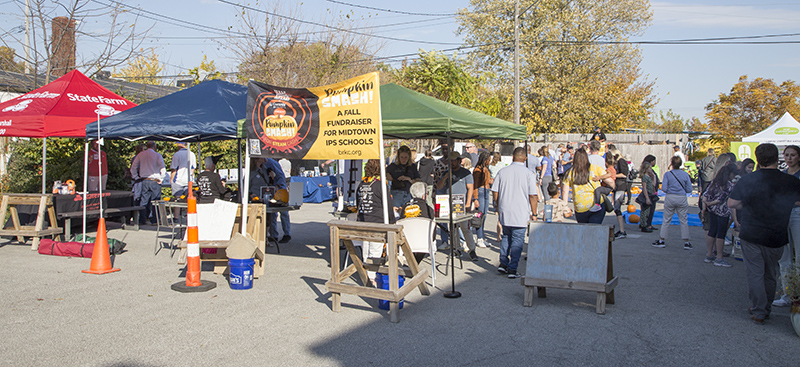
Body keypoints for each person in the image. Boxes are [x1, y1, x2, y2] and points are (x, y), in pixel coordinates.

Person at [727, 143, 800, 324]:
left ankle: (759, 310)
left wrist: (748, 204)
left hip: (752, 232)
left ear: (758, 159)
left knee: (755, 273)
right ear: (778, 158)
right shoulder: (791, 181)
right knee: (770, 273)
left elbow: (731, 203)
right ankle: (765, 307)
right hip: (777, 234)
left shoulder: (749, 179)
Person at [492, 147, 538, 278]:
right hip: (521, 211)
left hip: (505, 209)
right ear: (525, 158)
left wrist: (497, 205)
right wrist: (534, 213)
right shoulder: (529, 174)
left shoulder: (503, 171)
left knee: (506, 236)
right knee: (518, 240)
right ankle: (512, 268)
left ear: (512, 157)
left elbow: (495, 191)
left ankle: (503, 263)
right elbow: (533, 196)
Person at [357, 159, 396, 283]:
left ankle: (367, 273)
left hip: (364, 221)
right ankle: (371, 277)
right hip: (377, 222)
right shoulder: (380, 185)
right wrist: (392, 221)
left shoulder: (361, 184)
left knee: (366, 249)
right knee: (375, 250)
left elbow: (358, 203)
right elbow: (388, 205)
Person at [436, 151, 476, 261]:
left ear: (459, 161)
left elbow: (470, 188)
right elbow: (439, 187)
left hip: (461, 203)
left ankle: (472, 249)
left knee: (465, 227)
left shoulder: (466, 173)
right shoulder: (446, 173)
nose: (452, 163)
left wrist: (468, 203)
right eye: (450, 161)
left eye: (454, 160)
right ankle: (456, 248)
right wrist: (445, 178)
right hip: (450, 204)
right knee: (453, 228)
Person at [774, 145, 800, 307]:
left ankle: (797, 294)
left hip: (797, 214)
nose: (789, 158)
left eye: (793, 155)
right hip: (782, 214)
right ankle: (787, 293)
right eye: (787, 155)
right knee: (784, 257)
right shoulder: (782, 175)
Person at [652, 156, 693, 249]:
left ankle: (662, 240)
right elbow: (689, 189)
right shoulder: (685, 174)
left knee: (666, 219)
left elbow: (664, 188)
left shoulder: (668, 174)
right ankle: (686, 242)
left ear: (672, 164)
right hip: (681, 197)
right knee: (683, 220)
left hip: (670, 197)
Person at [701, 164, 737, 267]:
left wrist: (706, 205)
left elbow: (706, 195)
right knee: (721, 234)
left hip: (712, 211)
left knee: (712, 231)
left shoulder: (714, 183)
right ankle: (719, 257)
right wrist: (710, 203)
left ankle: (709, 254)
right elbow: (721, 199)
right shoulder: (730, 185)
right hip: (723, 211)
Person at [564, 149, 606, 224]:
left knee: (584, 230)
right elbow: (610, 181)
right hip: (595, 202)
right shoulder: (595, 168)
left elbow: (565, 191)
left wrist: (565, 206)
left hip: (580, 206)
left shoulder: (571, 172)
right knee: (595, 229)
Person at [130, 141, 166, 225]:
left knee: (144, 201)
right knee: (156, 201)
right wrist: (162, 178)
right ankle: (154, 220)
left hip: (144, 179)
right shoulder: (157, 155)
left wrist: (136, 177)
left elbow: (133, 167)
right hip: (155, 180)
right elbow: (162, 167)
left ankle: (142, 219)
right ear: (154, 147)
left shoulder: (140, 155)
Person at [607, 147, 629, 239]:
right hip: (618, 186)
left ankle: (622, 230)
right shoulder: (620, 162)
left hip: (621, 186)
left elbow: (624, 174)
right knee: (616, 208)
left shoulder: (621, 161)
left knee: (617, 208)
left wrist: (613, 175)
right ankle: (621, 230)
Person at [472, 151, 492, 248]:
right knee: (480, 215)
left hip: (486, 191)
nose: (490, 162)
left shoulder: (486, 169)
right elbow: (475, 185)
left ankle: (481, 237)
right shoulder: (478, 170)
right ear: (485, 160)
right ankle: (479, 238)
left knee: (485, 216)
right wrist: (475, 198)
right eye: (488, 160)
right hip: (480, 192)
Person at [638, 157, 657, 233]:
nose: (650, 169)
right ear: (646, 169)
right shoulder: (644, 177)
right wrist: (647, 198)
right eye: (649, 168)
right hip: (646, 195)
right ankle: (643, 225)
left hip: (650, 194)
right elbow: (644, 188)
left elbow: (653, 184)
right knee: (644, 211)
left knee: (648, 211)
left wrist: (654, 177)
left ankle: (645, 224)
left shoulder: (649, 176)